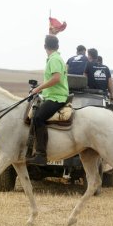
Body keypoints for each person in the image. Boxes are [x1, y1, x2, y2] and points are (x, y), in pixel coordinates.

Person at [27, 35, 69, 165]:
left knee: (38, 118)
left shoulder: (54, 59)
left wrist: (38, 89)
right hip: (52, 96)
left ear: (45, 47)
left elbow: (56, 78)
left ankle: (41, 154)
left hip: (57, 97)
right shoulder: (55, 58)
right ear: (57, 46)